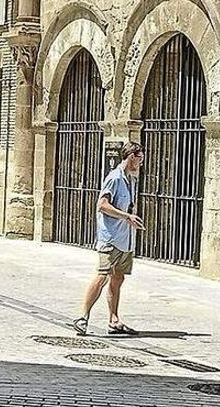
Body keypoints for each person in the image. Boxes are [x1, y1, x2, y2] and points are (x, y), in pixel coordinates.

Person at [72, 142, 145, 336]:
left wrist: (131, 220)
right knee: (102, 275)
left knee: (118, 278)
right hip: (110, 238)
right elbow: (102, 205)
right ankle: (83, 317)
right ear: (131, 157)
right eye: (140, 158)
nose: (141, 162)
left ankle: (114, 320)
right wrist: (126, 217)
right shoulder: (114, 178)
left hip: (125, 239)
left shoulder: (131, 180)